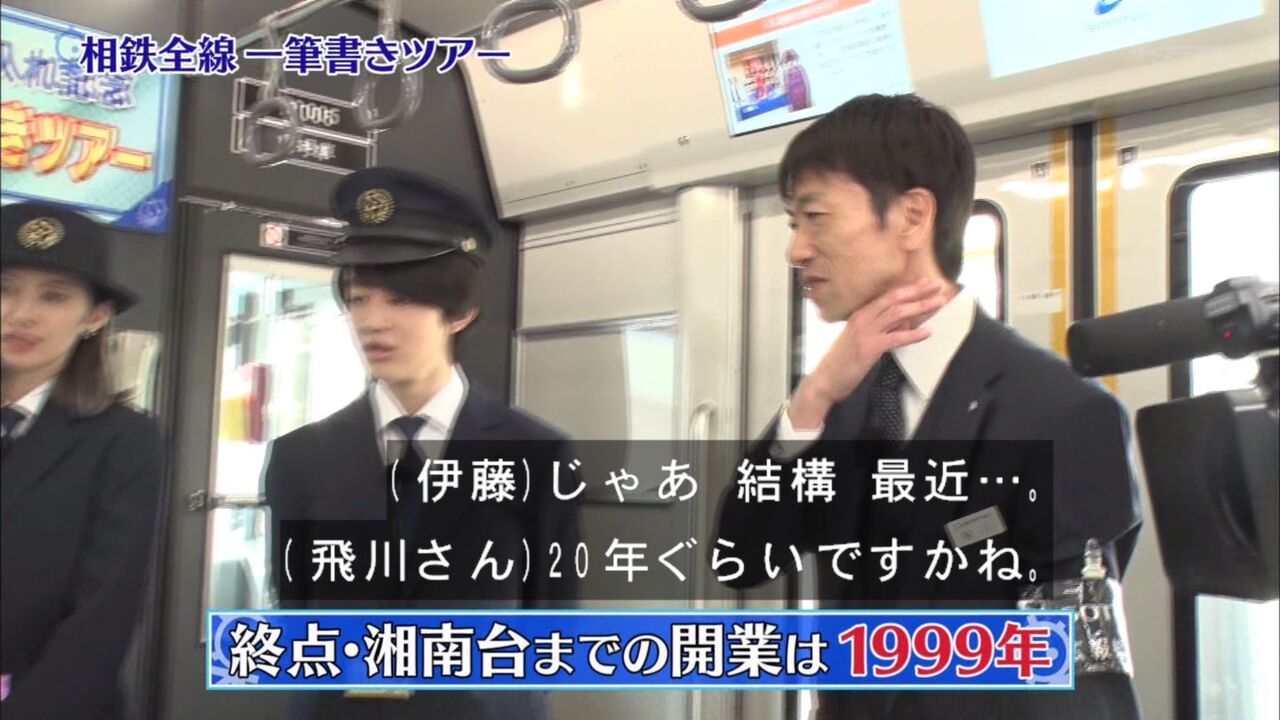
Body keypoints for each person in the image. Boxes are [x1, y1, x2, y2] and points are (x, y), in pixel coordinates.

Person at [716, 94, 1144, 719]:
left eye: (815, 217)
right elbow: (743, 558)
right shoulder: (839, 400)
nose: (797, 250)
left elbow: (1082, 670)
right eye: (792, 225)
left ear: (913, 216)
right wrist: (812, 396)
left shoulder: (1060, 412)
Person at [263, 168, 581, 720]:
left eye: (401, 300)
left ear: (460, 313)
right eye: (359, 299)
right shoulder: (302, 457)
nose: (373, 322)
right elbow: (297, 612)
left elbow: (552, 622)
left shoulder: (537, 453)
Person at [0, 202, 165, 719]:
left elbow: (102, 617)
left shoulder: (124, 439)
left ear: (95, 316)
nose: (21, 314)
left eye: (53, 296)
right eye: (5, 289)